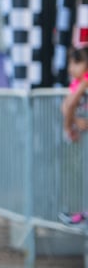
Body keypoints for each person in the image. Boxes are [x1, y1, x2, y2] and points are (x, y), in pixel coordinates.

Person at [58, 47, 88, 225]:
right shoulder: (79, 81)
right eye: (70, 63)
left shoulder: (84, 81)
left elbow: (69, 105)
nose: (71, 68)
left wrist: (68, 127)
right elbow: (66, 105)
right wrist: (75, 121)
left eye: (76, 63)